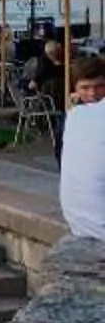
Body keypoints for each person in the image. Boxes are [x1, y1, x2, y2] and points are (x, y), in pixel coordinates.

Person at [63, 55, 105, 244]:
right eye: (85, 88)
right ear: (75, 89)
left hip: (77, 221)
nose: (93, 94)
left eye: (99, 87)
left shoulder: (73, 116)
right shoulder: (75, 117)